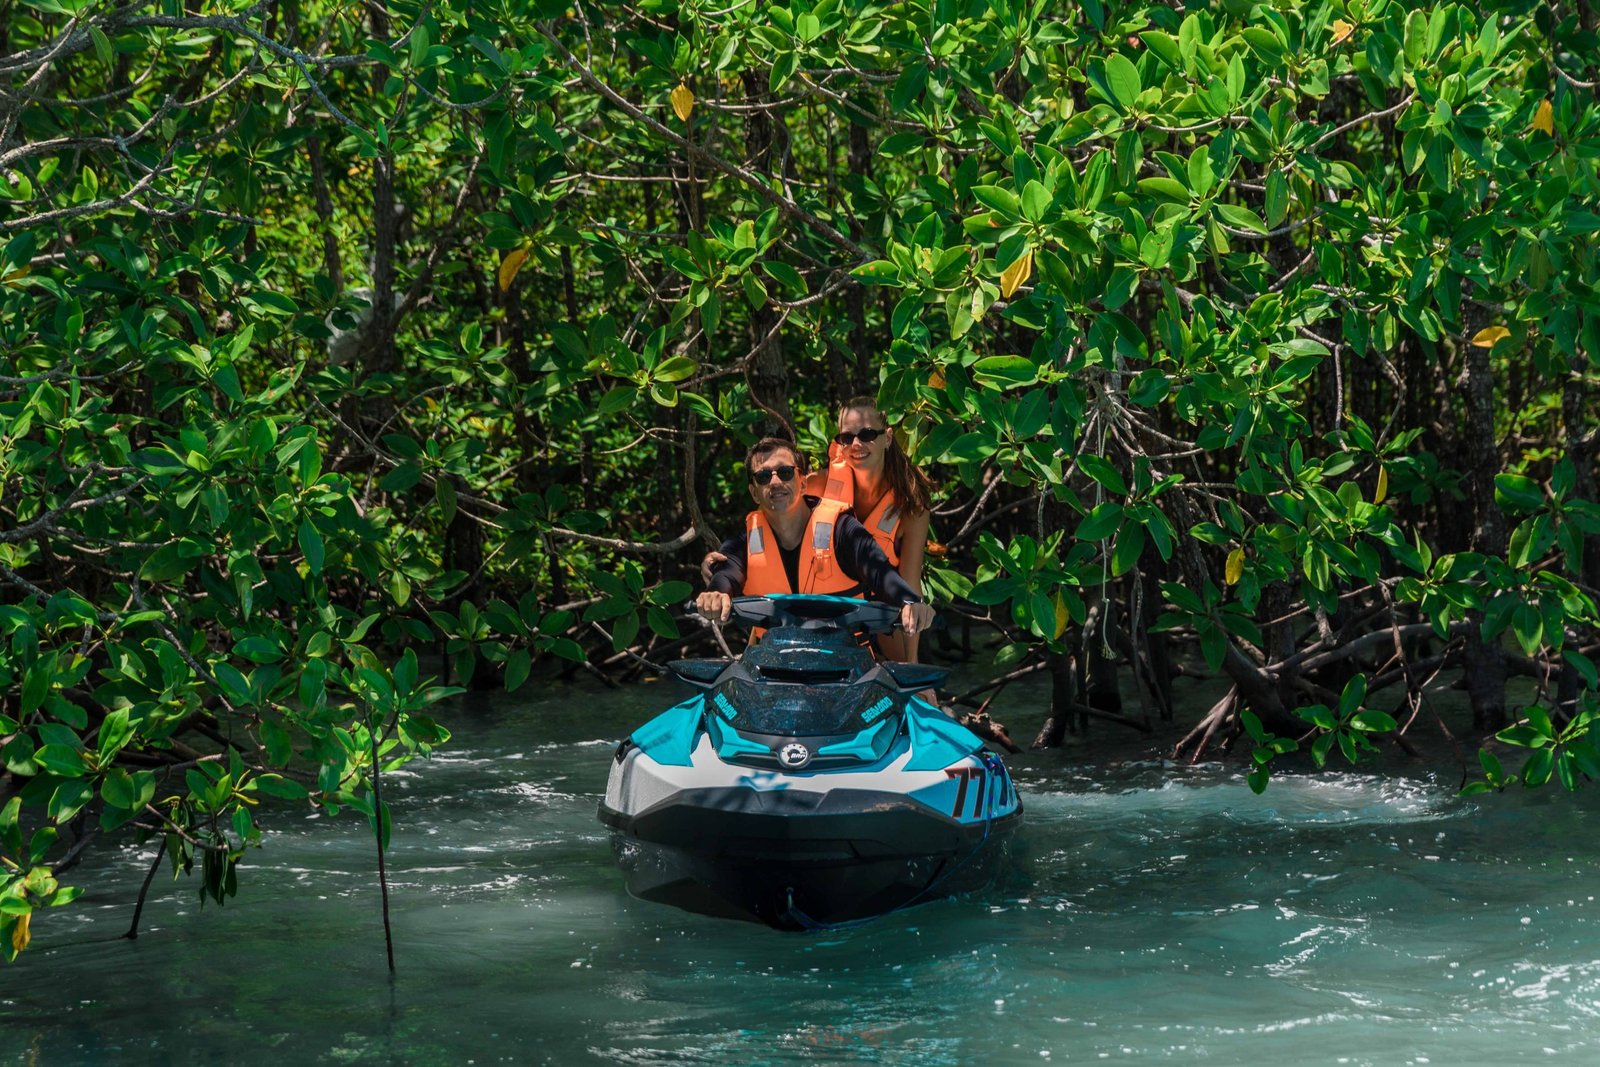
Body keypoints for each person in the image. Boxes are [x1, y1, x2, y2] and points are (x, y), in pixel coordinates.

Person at [695, 438, 934, 637]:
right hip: (774, 666)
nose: (776, 482)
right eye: (763, 477)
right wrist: (715, 594)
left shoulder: (843, 530)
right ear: (754, 492)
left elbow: (881, 573)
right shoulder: (743, 543)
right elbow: (726, 576)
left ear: (802, 483)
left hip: (845, 666)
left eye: (786, 473)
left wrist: (910, 602)